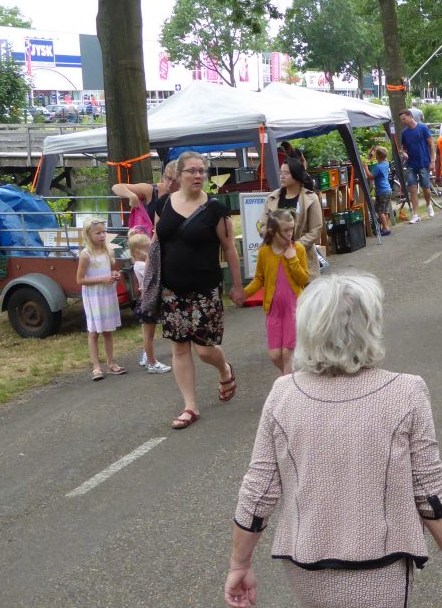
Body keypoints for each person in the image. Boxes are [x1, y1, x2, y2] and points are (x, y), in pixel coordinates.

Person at [225, 273, 442, 608]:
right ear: (370, 327)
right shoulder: (405, 392)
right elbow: (430, 492)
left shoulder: (284, 393)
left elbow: (259, 491)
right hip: (376, 570)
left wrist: (240, 564)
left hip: (305, 568)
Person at [156, 152, 244, 430]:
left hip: (205, 290)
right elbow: (159, 243)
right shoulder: (163, 205)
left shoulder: (215, 209)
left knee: (204, 350)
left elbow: (229, 248)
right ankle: (190, 406)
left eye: (201, 171)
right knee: (179, 347)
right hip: (172, 290)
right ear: (179, 174)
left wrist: (238, 286)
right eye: (191, 171)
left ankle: (224, 369)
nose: (197, 176)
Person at [243, 209, 309, 375]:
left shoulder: (298, 249)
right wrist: (244, 294)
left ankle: (287, 388)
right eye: (285, 230)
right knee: (274, 355)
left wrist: (292, 259)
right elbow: (259, 279)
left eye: (292, 229)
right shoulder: (265, 252)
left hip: (294, 308)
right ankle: (293, 379)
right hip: (273, 310)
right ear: (273, 231)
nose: (290, 234)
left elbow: (303, 280)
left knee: (288, 353)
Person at [76, 216, 126, 381]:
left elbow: (107, 272)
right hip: (93, 296)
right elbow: (80, 280)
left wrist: (113, 274)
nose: (102, 235)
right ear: (88, 234)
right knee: (94, 331)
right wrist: (102, 279)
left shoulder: (107, 251)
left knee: (108, 330)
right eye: (98, 233)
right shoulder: (85, 255)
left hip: (107, 295)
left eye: (104, 232)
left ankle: (111, 363)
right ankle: (96, 366)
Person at [264, 157, 322, 279]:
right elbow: (262, 224)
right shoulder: (272, 198)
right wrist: (271, 239)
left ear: (296, 175)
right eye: (281, 173)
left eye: (286, 173)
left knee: (304, 294)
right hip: (276, 256)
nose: (282, 176)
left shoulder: (311, 198)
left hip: (303, 257)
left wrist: (296, 247)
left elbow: (316, 229)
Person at [128, 230, 171, 374]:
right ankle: (151, 362)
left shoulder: (139, 264)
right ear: (138, 251)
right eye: (148, 248)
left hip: (147, 301)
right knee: (148, 335)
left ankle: (148, 358)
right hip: (148, 302)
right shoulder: (140, 265)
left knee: (149, 334)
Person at [111, 161, 179, 233]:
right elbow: (117, 187)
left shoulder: (188, 193)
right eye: (168, 178)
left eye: (175, 181)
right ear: (163, 176)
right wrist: (132, 196)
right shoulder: (151, 190)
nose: (170, 183)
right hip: (150, 237)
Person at [398, 109, 436, 224]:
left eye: (404, 119)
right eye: (401, 120)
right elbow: (402, 148)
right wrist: (403, 153)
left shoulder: (423, 128)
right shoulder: (405, 133)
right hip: (411, 164)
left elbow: (431, 144)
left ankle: (429, 205)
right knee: (412, 189)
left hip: (423, 162)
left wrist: (432, 161)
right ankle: (415, 214)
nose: (403, 121)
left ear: (410, 116)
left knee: (426, 188)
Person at [365, 146, 393, 236]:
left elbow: (371, 177)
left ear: (378, 156)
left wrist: (365, 167)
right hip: (388, 190)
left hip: (381, 192)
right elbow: (374, 157)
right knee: (385, 210)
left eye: (376, 155)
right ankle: (386, 226)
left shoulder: (378, 167)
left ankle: (386, 228)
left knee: (380, 211)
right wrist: (373, 151)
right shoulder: (386, 163)